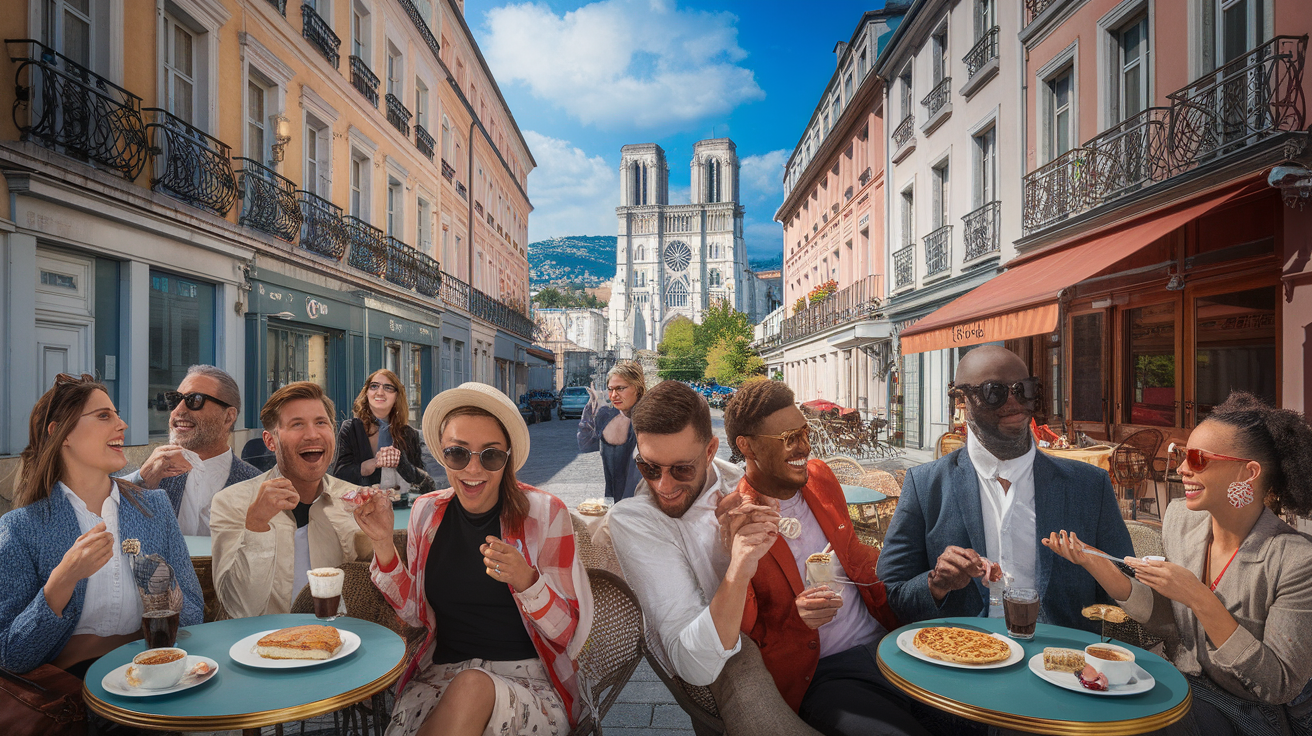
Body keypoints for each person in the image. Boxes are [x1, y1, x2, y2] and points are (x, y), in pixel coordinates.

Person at [1046, 392, 1312, 736]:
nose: (1182, 468)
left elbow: (1279, 685)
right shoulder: (1181, 523)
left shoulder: (1296, 560)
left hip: (1253, 713)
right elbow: (1170, 625)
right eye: (1181, 455)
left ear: (1248, 472)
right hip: (1182, 685)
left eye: (1198, 459)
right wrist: (1096, 563)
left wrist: (1199, 597)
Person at [356, 382, 592, 736]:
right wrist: (383, 544)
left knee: (473, 686)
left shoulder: (545, 513)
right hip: (438, 678)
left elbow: (566, 633)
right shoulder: (426, 511)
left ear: (507, 458)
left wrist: (527, 581)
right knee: (465, 687)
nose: (473, 469)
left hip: (529, 682)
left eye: (491, 455)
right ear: (443, 454)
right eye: (458, 453)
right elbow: (416, 615)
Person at [607, 380, 818, 735]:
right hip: (731, 658)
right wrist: (738, 565)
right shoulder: (636, 519)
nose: (664, 485)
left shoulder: (747, 480)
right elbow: (695, 663)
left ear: (710, 451)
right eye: (649, 468)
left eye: (682, 469)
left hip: (799, 636)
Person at [721, 378, 927, 736]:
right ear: (747, 447)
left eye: (803, 431)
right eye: (788, 438)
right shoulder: (740, 518)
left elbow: (855, 556)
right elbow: (747, 630)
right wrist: (797, 617)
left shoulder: (819, 477)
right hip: (827, 673)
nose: (803, 446)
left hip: (889, 642)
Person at [877, 345, 1133, 631]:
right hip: (959, 658)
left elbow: (1128, 590)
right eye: (994, 391)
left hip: (1059, 664)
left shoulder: (1088, 486)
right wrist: (936, 584)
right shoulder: (925, 485)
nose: (1014, 402)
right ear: (964, 401)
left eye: (1023, 389)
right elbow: (891, 595)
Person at [0, 374, 202, 677]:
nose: (122, 425)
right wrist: (61, 582)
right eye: (103, 416)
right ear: (62, 433)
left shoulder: (155, 508)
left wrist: (165, 591)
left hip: (154, 679)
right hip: (69, 701)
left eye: (117, 415)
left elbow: (194, 613)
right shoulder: (20, 528)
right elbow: (12, 655)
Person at [209, 381, 366, 619]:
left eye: (321, 423)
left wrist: (383, 541)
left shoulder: (354, 500)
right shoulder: (230, 503)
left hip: (338, 643)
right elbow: (239, 609)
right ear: (270, 441)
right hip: (261, 647)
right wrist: (256, 525)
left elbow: (375, 597)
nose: (312, 434)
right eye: (297, 425)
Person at [119, 365, 260, 535]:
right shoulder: (153, 473)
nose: (178, 411)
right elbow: (100, 507)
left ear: (228, 417)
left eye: (194, 400)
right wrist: (142, 478)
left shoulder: (256, 487)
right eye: (175, 400)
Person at [333, 369, 432, 493]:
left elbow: (425, 485)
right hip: (360, 508)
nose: (380, 392)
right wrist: (370, 465)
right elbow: (338, 476)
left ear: (397, 396)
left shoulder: (409, 434)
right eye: (374, 386)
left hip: (400, 508)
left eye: (388, 387)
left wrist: (402, 463)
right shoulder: (350, 428)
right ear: (367, 393)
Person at [577, 361, 646, 503]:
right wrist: (591, 408)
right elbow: (585, 445)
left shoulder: (646, 420)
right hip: (611, 502)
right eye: (610, 389)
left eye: (620, 388)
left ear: (637, 389)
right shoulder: (605, 415)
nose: (614, 395)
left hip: (639, 505)